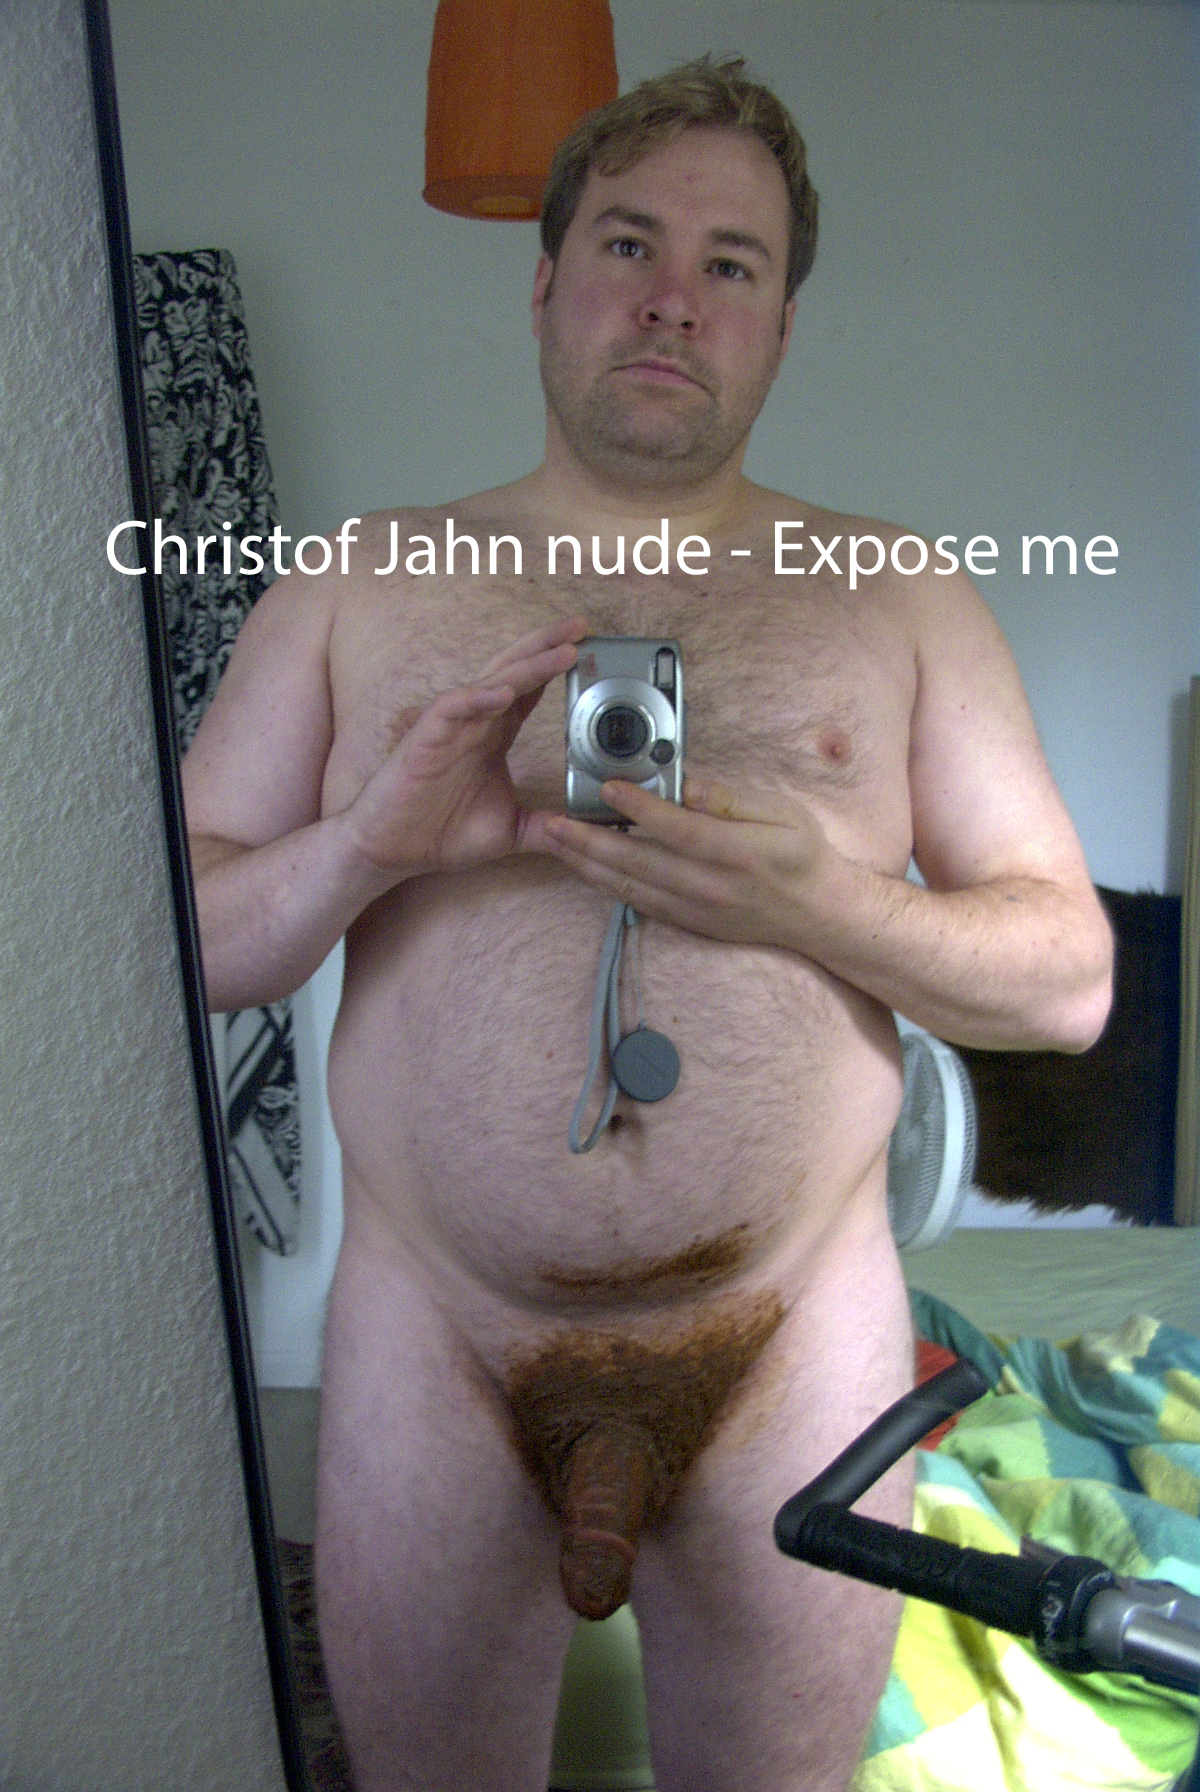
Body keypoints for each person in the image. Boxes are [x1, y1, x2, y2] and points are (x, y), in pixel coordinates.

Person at [182, 57, 1113, 1792]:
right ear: (545, 282)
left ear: (781, 327)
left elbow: (1066, 985)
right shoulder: (358, 576)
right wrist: (365, 849)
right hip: (437, 1335)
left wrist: (822, 901)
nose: (674, 296)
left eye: (731, 262)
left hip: (792, 1340)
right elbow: (171, 955)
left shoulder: (903, 593)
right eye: (628, 243)